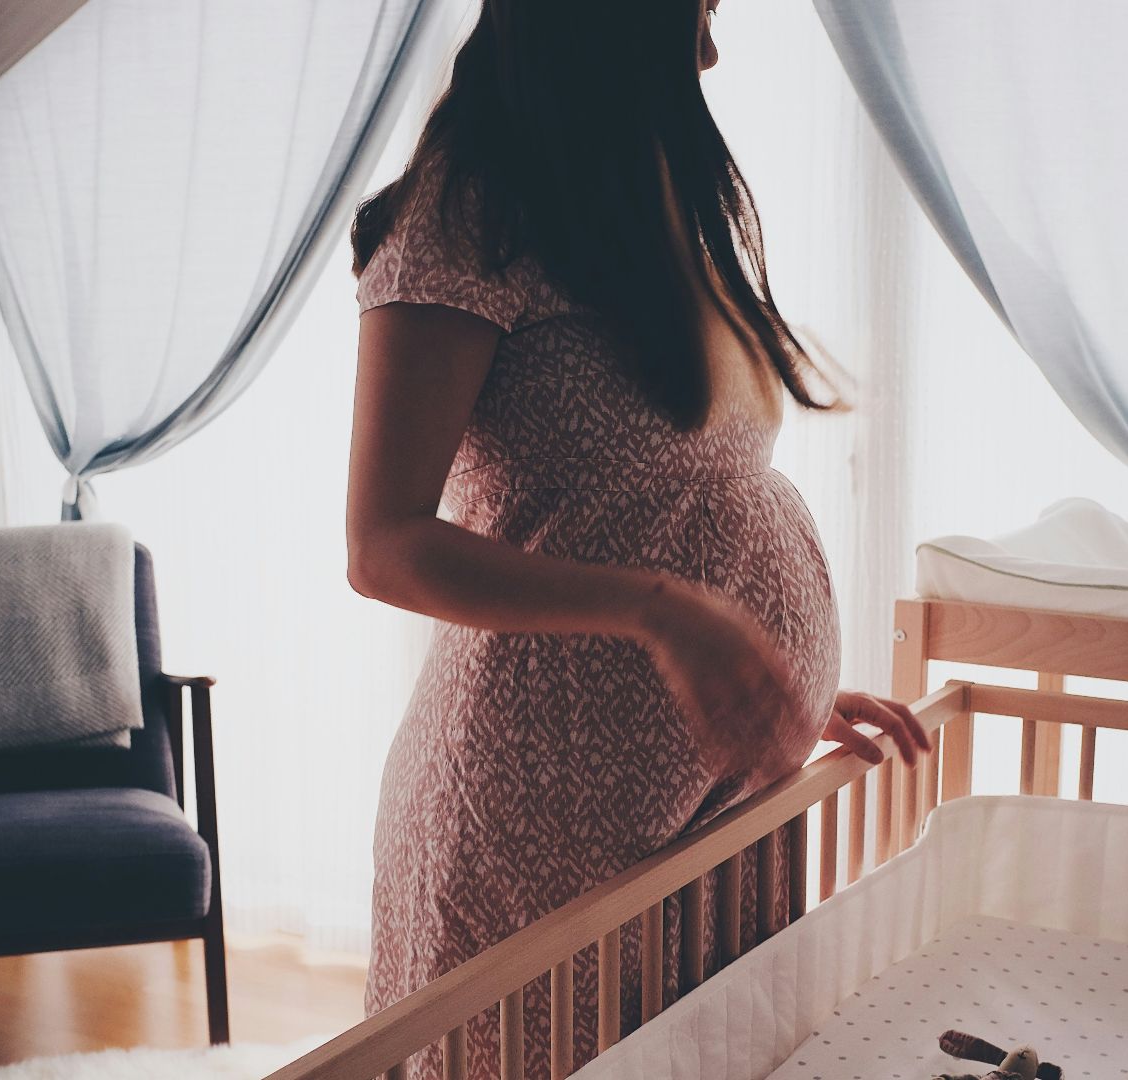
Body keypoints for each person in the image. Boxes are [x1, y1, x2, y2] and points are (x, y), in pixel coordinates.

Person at [345, 1, 927, 1075]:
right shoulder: (468, 207)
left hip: (698, 808)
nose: (711, 44)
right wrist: (663, 614)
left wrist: (768, 679)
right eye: (698, 9)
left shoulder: (655, 201)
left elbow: (674, 495)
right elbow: (382, 545)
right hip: (535, 824)